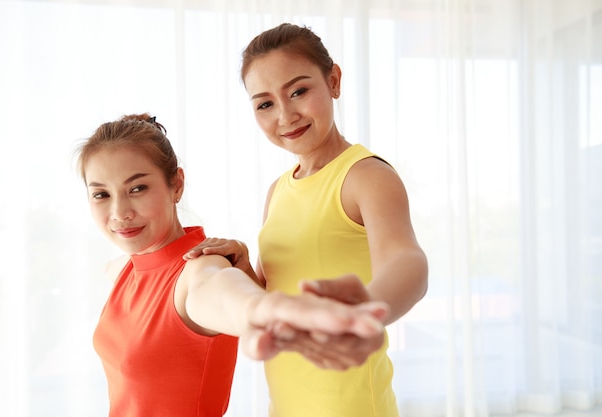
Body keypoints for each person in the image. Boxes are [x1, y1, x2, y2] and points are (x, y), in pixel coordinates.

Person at [74, 113, 390, 417]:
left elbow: (237, 300)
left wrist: (280, 314)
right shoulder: (120, 271)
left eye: (137, 188)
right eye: (101, 195)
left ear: (176, 185)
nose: (120, 212)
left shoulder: (199, 269)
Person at [186, 23, 429, 417]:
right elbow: (272, 297)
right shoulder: (278, 191)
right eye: (265, 104)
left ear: (333, 80)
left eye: (299, 91)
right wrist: (244, 265)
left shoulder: (366, 176)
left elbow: (408, 261)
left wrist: (362, 311)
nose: (286, 115)